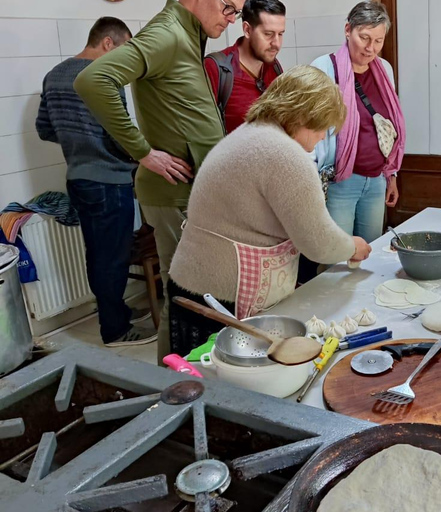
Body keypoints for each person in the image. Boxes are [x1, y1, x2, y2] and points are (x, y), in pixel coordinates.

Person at [75, 0, 243, 363]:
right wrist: (143, 152)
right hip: (174, 193)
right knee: (185, 295)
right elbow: (92, 80)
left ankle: (184, 381)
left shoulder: (186, 35)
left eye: (238, 13)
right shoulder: (167, 33)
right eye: (229, 7)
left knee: (193, 293)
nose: (231, 21)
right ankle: (174, 386)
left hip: (192, 191)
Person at [167, 66, 372, 357]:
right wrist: (352, 246)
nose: (319, 140)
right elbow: (317, 242)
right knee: (225, 387)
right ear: (300, 116)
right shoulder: (285, 155)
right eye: (320, 129)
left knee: (197, 381)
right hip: (223, 297)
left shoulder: (247, 134)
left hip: (190, 285)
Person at [35, 18, 156, 347]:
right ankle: (115, 330)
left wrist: (77, 142)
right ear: (108, 43)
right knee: (113, 256)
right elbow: (120, 134)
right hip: (109, 180)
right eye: (123, 50)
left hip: (79, 178)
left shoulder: (53, 76)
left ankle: (114, 312)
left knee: (99, 254)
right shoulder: (104, 77)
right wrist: (142, 156)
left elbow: (44, 129)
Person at [311, 1, 406, 243]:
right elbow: (310, 129)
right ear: (347, 30)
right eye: (364, 37)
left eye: (378, 40)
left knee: (370, 252)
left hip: (376, 180)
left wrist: (391, 175)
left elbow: (389, 127)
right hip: (340, 181)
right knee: (338, 257)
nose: (370, 48)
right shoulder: (323, 68)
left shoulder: (384, 69)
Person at [205, 0, 286, 134]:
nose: (276, 43)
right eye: (268, 34)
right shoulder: (216, 68)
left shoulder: (274, 67)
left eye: (281, 34)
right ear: (247, 30)